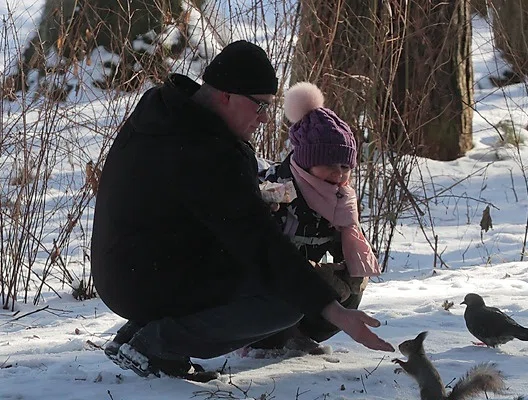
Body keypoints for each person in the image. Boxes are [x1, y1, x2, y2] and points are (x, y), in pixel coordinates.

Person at [90, 40, 394, 381]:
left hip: (126, 271)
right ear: (226, 95)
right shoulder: (207, 150)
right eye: (260, 106)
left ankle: (139, 335)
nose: (264, 118)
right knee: (284, 301)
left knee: (257, 266)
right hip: (146, 277)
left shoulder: (163, 115)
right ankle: (156, 344)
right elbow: (257, 242)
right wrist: (335, 311)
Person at [250, 82, 381, 353]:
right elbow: (260, 253)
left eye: (346, 166)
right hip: (268, 283)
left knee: (351, 282)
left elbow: (345, 253)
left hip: (304, 282)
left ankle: (301, 335)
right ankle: (266, 339)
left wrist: (343, 272)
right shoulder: (276, 190)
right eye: (330, 165)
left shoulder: (340, 199)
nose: (339, 174)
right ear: (307, 161)